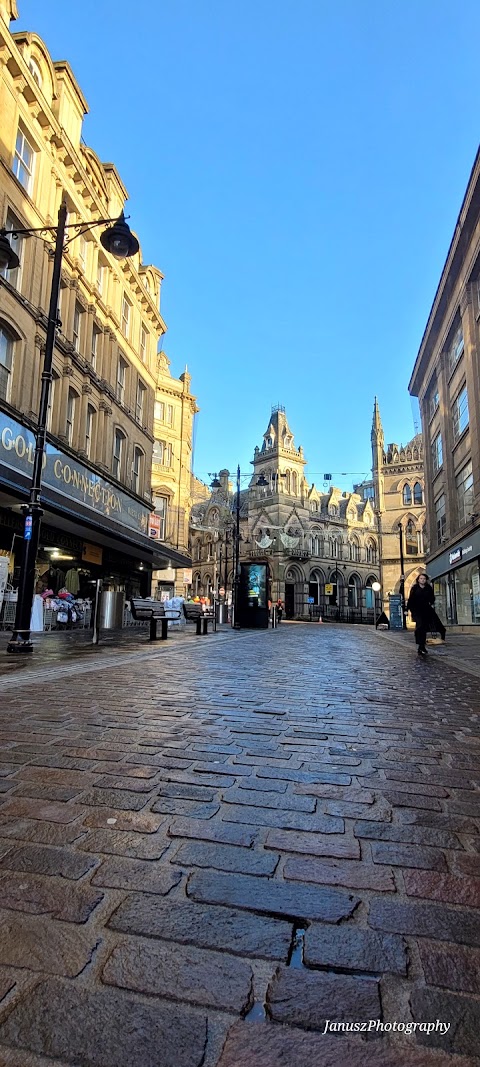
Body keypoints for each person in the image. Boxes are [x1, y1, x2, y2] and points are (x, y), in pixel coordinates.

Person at [406, 573, 446, 658]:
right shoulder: (415, 588)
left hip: (425, 610)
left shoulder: (428, 588)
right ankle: (420, 644)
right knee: (419, 625)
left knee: (423, 627)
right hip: (416, 610)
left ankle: (422, 646)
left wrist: (431, 602)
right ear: (418, 580)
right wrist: (407, 609)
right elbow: (411, 599)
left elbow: (432, 598)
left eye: (424, 578)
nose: (422, 580)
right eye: (421, 578)